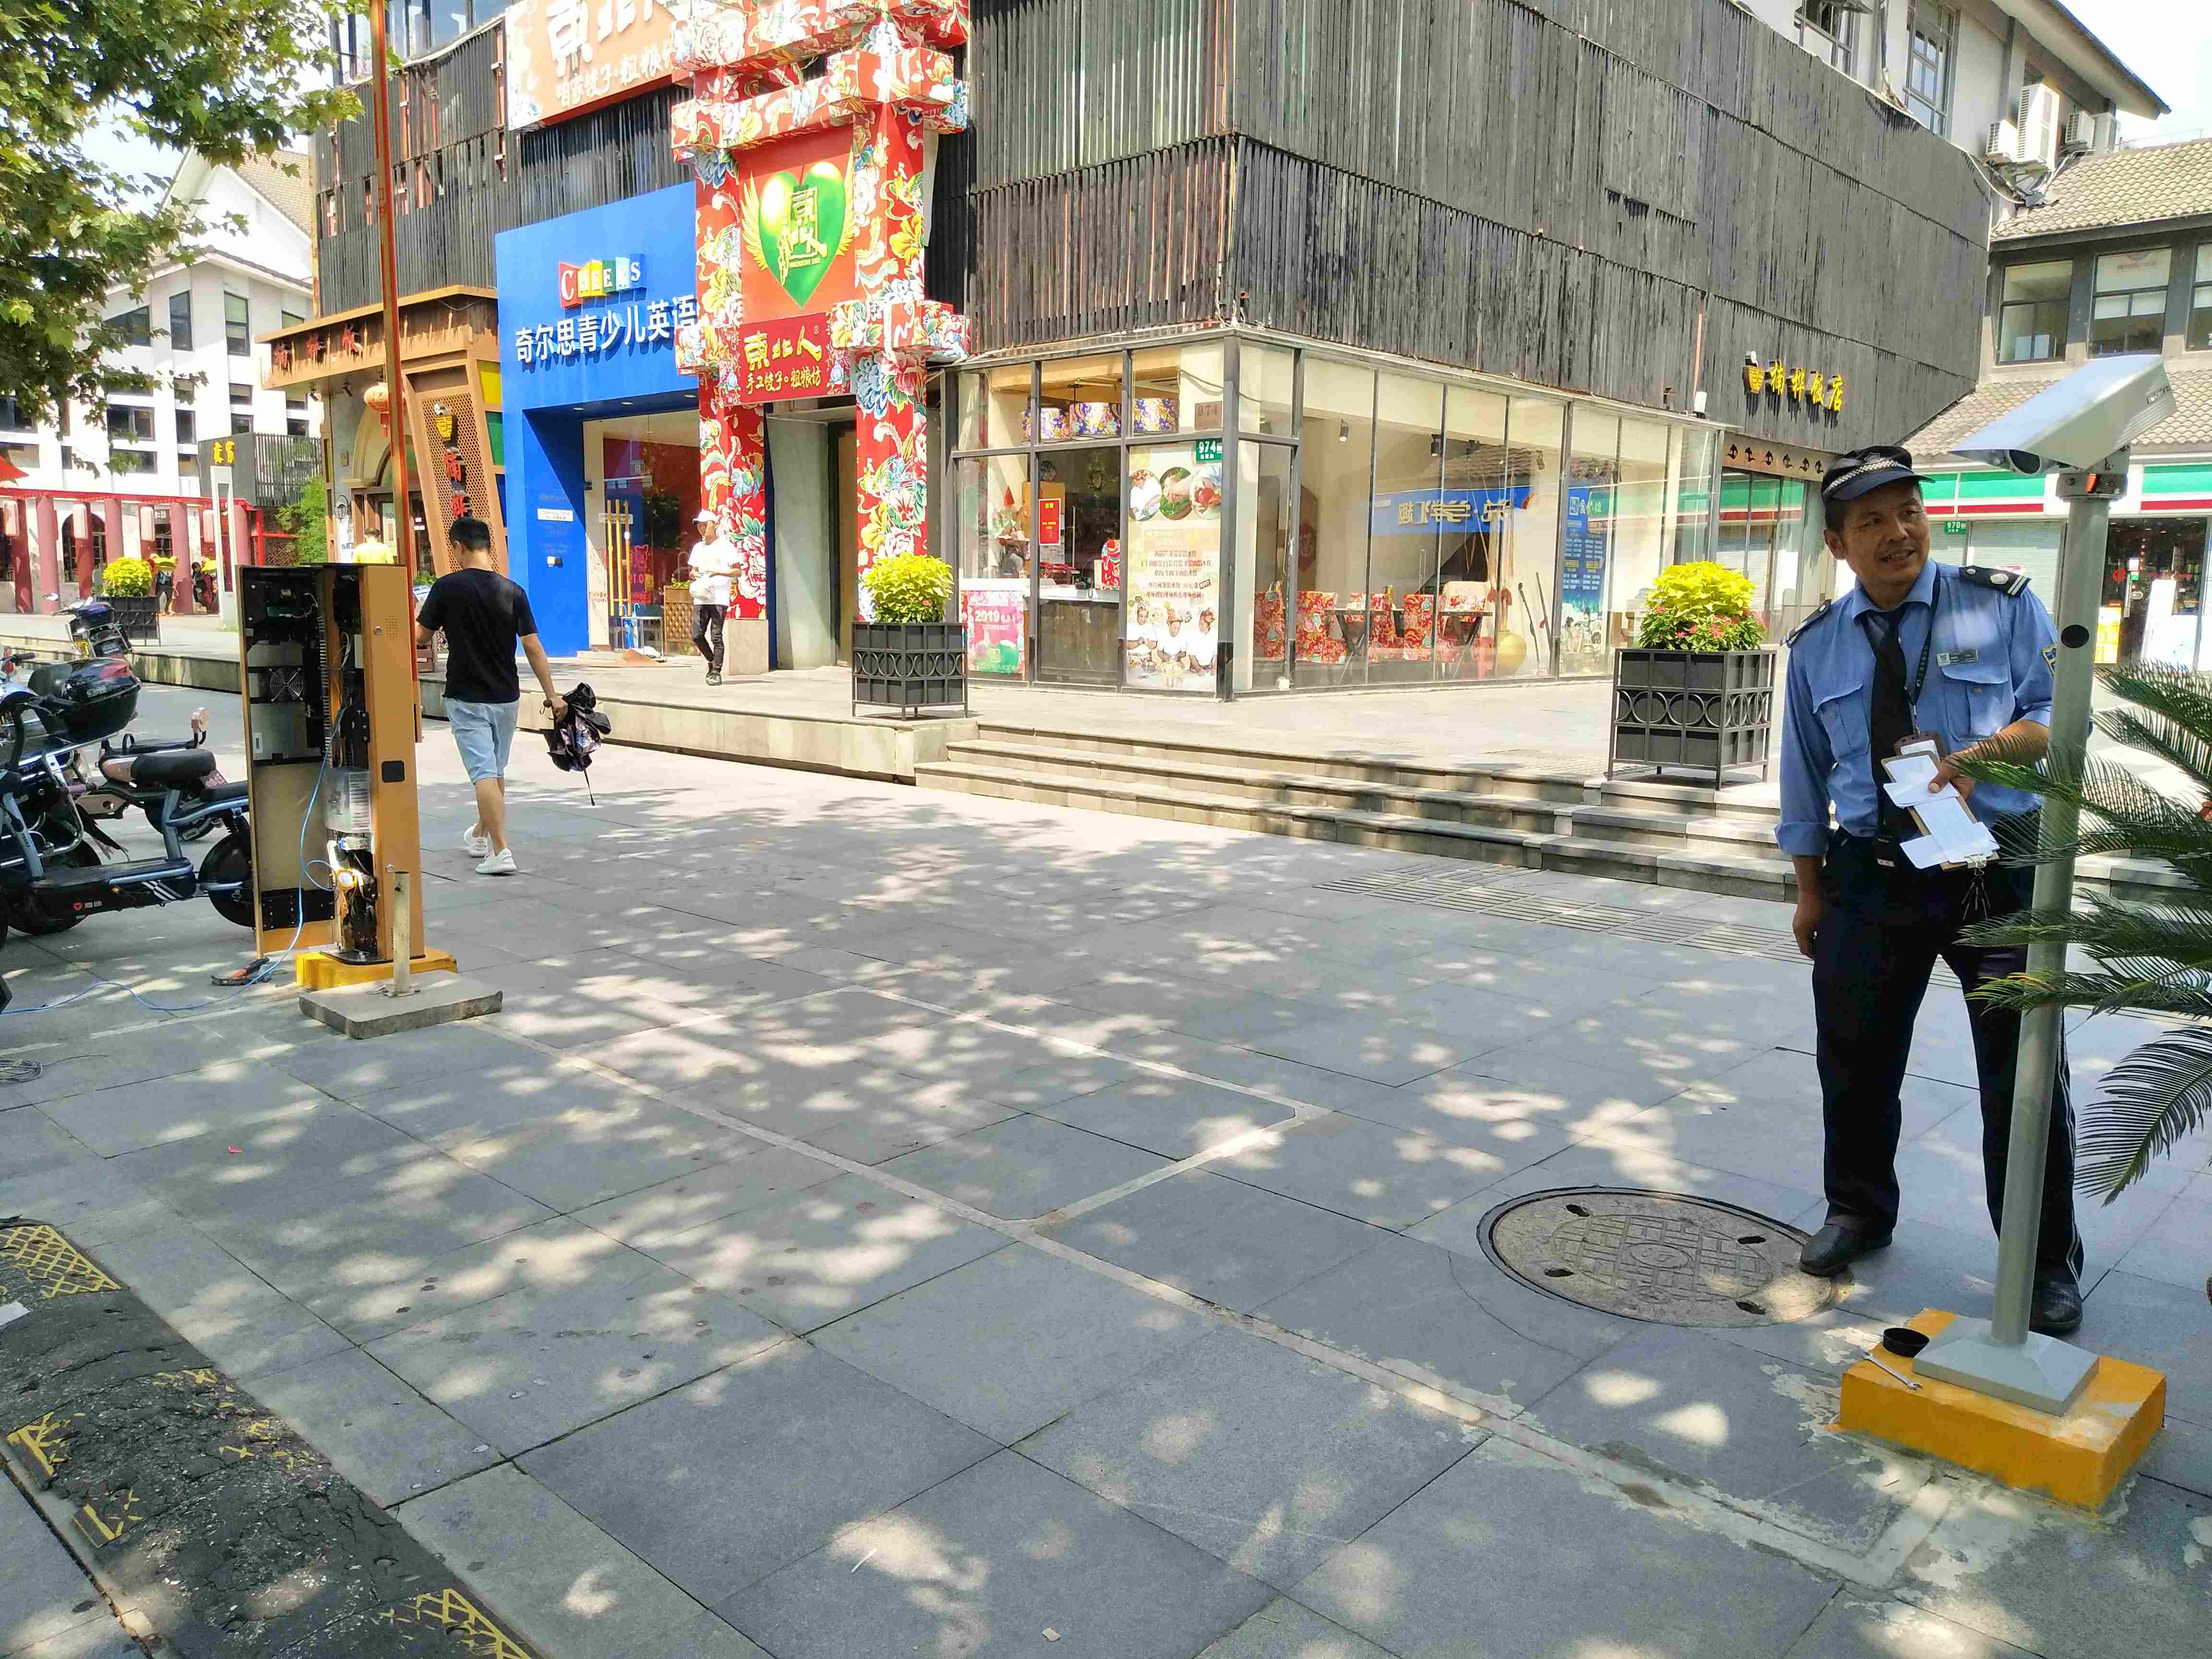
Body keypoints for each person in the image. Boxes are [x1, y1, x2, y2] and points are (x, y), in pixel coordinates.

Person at [1777, 444, 2084, 1334]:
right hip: (1868, 877)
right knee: (1853, 1058)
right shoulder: (1817, 646)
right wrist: (1809, 892)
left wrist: (1979, 758)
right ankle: (1857, 1211)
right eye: (1871, 521)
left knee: (2022, 1075)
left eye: (1909, 512)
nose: (1897, 533)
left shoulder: (2000, 604)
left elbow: (2059, 714)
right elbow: (1803, 775)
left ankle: (2041, 1260)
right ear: (1837, 543)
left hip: (1995, 870)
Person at [414, 515, 566, 876]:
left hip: (466, 696)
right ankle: (481, 835)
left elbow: (420, 637)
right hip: (506, 697)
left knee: (484, 773)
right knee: (495, 772)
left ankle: (501, 851)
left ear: (457, 547)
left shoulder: (447, 588)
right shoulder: (513, 591)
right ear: (489, 547)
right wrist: (552, 695)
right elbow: (533, 647)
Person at [686, 507, 734, 685]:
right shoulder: (698, 548)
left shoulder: (726, 547)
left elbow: (737, 571)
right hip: (701, 596)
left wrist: (719, 572)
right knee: (697, 635)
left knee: (716, 636)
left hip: (719, 597)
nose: (701, 529)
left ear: (714, 525)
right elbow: (692, 571)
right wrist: (694, 575)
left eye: (705, 525)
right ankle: (712, 660)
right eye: (699, 526)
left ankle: (716, 672)